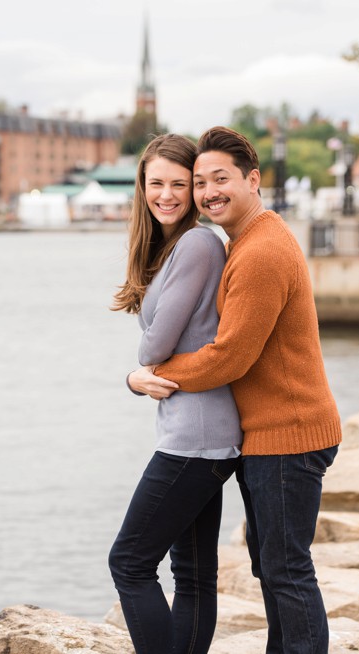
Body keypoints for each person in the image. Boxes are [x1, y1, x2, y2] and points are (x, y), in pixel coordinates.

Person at [128, 126, 342, 654]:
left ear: (253, 180)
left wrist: (150, 377)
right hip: (268, 434)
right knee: (272, 570)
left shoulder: (262, 251)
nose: (207, 192)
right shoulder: (246, 242)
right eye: (200, 182)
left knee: (286, 571)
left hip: (289, 433)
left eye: (218, 179)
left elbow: (230, 357)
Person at [109, 133, 242, 654]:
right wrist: (137, 375)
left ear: (195, 188)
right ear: (141, 187)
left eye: (179, 184)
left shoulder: (197, 243)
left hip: (194, 438)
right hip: (200, 434)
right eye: (155, 183)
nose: (166, 194)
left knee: (130, 562)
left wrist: (138, 373)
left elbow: (155, 346)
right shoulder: (173, 249)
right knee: (191, 574)